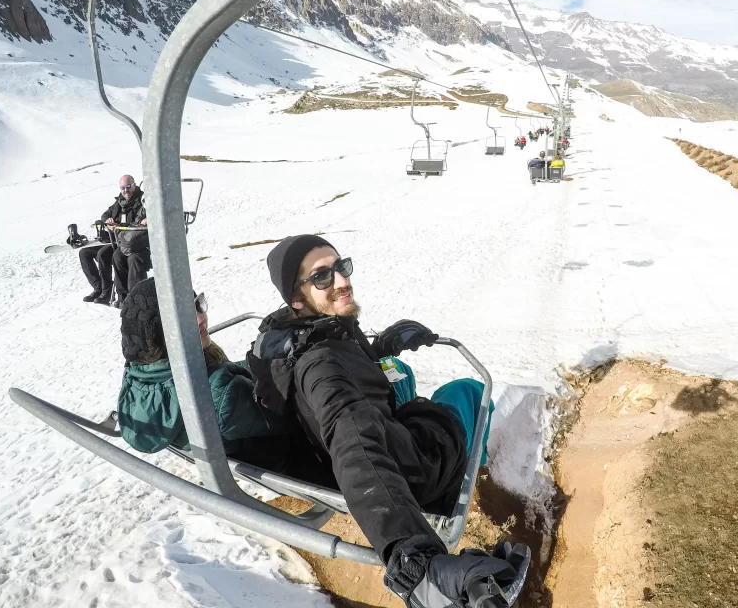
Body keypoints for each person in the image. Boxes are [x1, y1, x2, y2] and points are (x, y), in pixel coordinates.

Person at [248, 235, 522, 608]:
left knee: (400, 371)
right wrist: (414, 561)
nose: (341, 281)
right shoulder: (321, 367)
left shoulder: (298, 336)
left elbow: (342, 377)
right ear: (296, 297)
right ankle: (470, 487)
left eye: (340, 267)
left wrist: (384, 347)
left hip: (376, 432)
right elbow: (354, 443)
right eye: (322, 277)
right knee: (467, 392)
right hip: (406, 468)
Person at [116, 278, 330, 480]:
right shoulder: (218, 393)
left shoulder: (141, 376)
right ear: (160, 335)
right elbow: (296, 419)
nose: (200, 318)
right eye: (183, 315)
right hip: (302, 460)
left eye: (197, 305)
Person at [105, 175, 150, 307]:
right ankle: (122, 295)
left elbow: (153, 214)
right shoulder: (121, 201)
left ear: (134, 185)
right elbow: (107, 214)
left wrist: (146, 220)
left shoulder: (143, 199)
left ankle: (136, 297)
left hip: (144, 243)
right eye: (123, 188)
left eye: (128, 187)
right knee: (117, 256)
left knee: (134, 259)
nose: (125, 190)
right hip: (129, 241)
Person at [78, 221, 116, 305]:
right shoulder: (116, 208)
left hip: (122, 241)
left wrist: (117, 224)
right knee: (84, 253)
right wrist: (107, 221)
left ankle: (107, 290)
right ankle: (98, 287)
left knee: (102, 254)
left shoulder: (135, 208)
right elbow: (106, 215)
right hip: (109, 239)